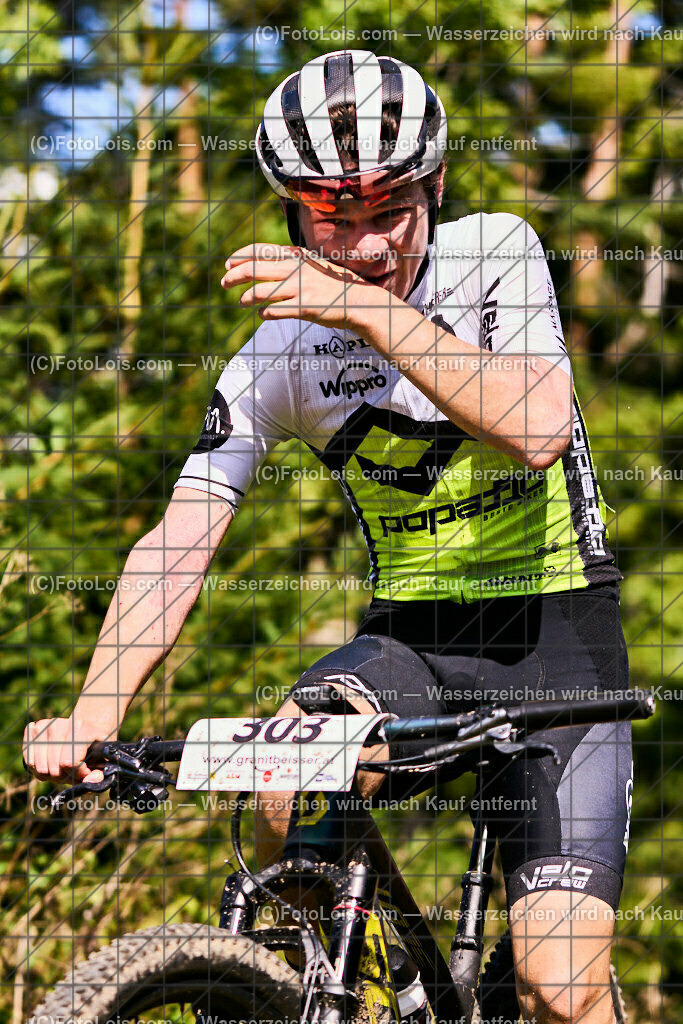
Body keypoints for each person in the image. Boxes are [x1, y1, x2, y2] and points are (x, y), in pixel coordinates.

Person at [24, 51, 632, 1024]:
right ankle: (313, 987)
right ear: (289, 214)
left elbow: (532, 425)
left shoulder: (492, 253)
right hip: (412, 640)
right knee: (279, 774)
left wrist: (366, 310)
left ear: (432, 188)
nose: (361, 245)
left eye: (386, 210)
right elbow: (180, 537)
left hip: (555, 646)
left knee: (558, 990)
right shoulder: (277, 351)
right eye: (329, 217)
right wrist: (94, 711)